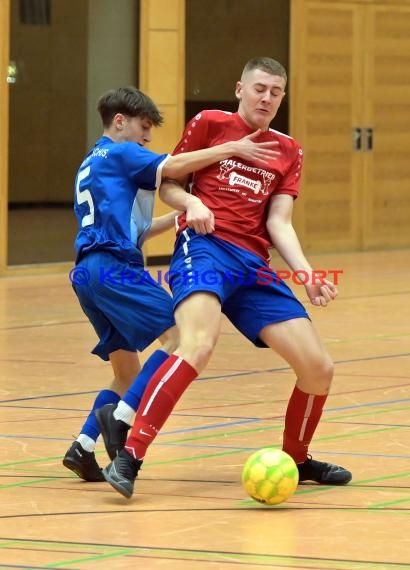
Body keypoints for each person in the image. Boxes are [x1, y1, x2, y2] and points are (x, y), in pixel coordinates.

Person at [98, 58, 352, 499]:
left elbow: (280, 223)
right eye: (259, 88)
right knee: (197, 344)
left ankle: (297, 458)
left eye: (275, 91)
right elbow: (170, 182)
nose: (266, 97)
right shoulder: (210, 124)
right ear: (240, 89)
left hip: (253, 265)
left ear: (282, 98)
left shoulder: (289, 150)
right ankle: (130, 455)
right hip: (206, 248)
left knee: (318, 369)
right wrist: (189, 206)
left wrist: (306, 274)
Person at [62, 85, 280, 481]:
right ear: (119, 122)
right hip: (115, 268)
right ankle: (122, 418)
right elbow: (177, 167)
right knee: (180, 339)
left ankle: (82, 446)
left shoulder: (92, 162)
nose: (147, 138)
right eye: (144, 128)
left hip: (86, 272)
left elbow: (140, 231)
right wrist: (231, 150)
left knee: (126, 370)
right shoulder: (123, 152)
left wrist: (186, 217)